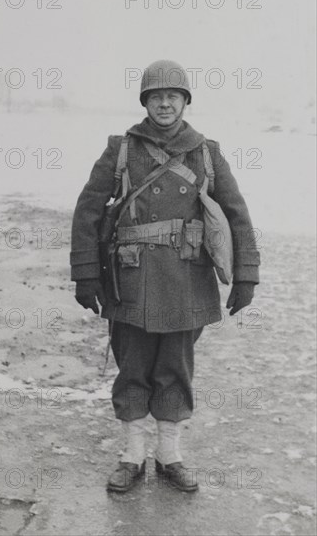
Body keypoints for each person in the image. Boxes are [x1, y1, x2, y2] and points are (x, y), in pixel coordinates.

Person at [70, 60, 260, 493]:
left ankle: (169, 454)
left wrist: (246, 275)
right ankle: (132, 454)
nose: (164, 103)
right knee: (132, 366)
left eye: (173, 96)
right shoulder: (121, 148)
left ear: (185, 101)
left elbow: (237, 215)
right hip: (130, 278)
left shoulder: (206, 152)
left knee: (175, 367)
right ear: (145, 102)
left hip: (187, 280)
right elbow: (88, 209)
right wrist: (85, 274)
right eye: (156, 96)